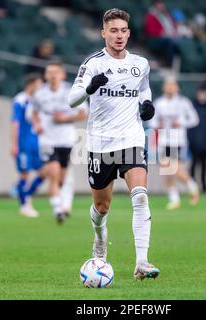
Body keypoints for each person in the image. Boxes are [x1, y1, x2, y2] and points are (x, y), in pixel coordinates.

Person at [68, 8, 160, 280]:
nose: (119, 36)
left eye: (123, 31)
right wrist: (89, 88)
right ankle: (99, 239)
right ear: (103, 33)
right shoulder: (93, 63)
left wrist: (147, 104)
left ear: (128, 33)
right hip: (99, 144)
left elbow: (144, 88)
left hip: (131, 138)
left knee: (140, 196)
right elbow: (71, 99)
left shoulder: (141, 64)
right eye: (113, 31)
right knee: (102, 207)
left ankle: (141, 262)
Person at [32, 63, 88, 224]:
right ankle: (58, 210)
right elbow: (34, 113)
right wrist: (36, 124)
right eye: (49, 72)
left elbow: (83, 113)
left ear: (63, 75)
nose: (53, 75)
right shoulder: (39, 93)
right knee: (53, 173)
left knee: (61, 177)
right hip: (47, 140)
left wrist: (65, 119)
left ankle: (61, 202)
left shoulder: (71, 91)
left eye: (56, 72)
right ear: (45, 75)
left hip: (66, 139)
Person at [150, 78, 200, 210]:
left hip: (177, 139)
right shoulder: (159, 103)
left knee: (172, 167)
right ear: (164, 87)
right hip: (163, 139)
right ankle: (175, 199)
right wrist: (157, 125)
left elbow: (195, 119)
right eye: (168, 85)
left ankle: (192, 186)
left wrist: (181, 123)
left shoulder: (183, 103)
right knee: (167, 170)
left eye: (173, 85)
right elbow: (152, 121)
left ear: (177, 87)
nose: (170, 88)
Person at [11, 73, 45, 218]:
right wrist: (14, 144)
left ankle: (24, 195)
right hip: (23, 144)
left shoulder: (38, 100)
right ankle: (24, 205)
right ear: (31, 84)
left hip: (37, 144)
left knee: (44, 173)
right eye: (39, 84)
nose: (41, 87)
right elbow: (15, 123)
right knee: (24, 174)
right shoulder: (20, 100)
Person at [187, 84, 206, 193]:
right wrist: (191, 140)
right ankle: (192, 186)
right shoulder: (192, 107)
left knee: (204, 165)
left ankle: (204, 186)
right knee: (194, 164)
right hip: (195, 142)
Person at [144, 0, 180, 67]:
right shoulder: (151, 15)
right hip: (156, 38)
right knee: (169, 42)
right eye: (159, 4)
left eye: (162, 4)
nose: (162, 6)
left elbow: (173, 26)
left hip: (170, 36)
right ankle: (169, 64)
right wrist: (162, 32)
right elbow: (150, 30)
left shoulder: (166, 15)